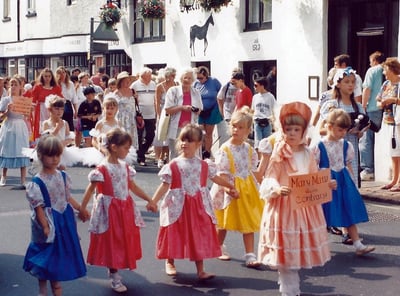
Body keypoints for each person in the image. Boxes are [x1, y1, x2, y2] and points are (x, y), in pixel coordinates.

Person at [258, 102, 333, 296]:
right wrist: (275, 188)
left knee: (297, 248)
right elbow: (270, 176)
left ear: (303, 132)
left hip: (303, 207)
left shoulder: (308, 154)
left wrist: (326, 185)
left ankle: (293, 288)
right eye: (288, 129)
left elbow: (312, 178)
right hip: (284, 206)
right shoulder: (280, 153)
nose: (291, 133)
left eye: (296, 129)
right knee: (287, 249)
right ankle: (288, 290)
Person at [152, 124, 238, 279]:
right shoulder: (173, 165)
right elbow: (164, 185)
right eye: (183, 140)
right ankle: (169, 261)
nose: (184, 143)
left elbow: (215, 178)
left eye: (189, 140)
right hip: (178, 205)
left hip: (198, 205)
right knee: (174, 232)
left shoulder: (204, 165)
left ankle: (201, 269)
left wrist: (229, 185)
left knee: (198, 234)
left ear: (198, 144)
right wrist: (153, 201)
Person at [79, 128, 157, 293]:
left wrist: (149, 199)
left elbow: (132, 187)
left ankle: (115, 267)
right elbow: (90, 189)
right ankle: (114, 275)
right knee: (112, 240)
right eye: (125, 148)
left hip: (124, 208)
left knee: (122, 239)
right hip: (109, 210)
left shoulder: (126, 167)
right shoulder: (102, 169)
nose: (128, 151)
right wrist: (82, 208)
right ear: (114, 147)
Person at [23, 135, 86, 296]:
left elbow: (67, 197)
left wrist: (81, 209)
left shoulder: (63, 176)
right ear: (40, 156)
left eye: (58, 155)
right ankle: (43, 288)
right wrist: (44, 225)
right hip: (49, 221)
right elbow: (38, 207)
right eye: (51, 155)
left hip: (63, 221)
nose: (55, 159)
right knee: (45, 254)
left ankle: (55, 286)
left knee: (57, 255)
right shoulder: (37, 182)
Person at [312, 108, 375, 256]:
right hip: (326, 181)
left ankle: (358, 244)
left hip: (343, 180)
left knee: (348, 211)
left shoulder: (346, 145)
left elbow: (347, 165)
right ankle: (316, 246)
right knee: (322, 214)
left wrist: (352, 182)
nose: (343, 133)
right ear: (329, 126)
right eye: (340, 130)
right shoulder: (318, 146)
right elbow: (312, 167)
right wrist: (320, 182)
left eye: (345, 130)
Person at [211, 106, 264, 268]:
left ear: (248, 130)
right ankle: (218, 246)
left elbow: (252, 169)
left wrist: (259, 186)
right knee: (224, 222)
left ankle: (250, 254)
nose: (236, 130)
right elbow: (221, 173)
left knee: (247, 221)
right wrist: (228, 189)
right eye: (234, 126)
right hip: (229, 188)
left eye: (240, 127)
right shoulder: (225, 149)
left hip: (246, 189)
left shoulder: (248, 149)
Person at [320, 67, 367, 188]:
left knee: (351, 185)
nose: (350, 85)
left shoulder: (358, 107)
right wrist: (338, 130)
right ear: (338, 84)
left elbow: (363, 129)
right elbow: (321, 129)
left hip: (351, 151)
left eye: (352, 82)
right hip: (334, 151)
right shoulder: (332, 105)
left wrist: (360, 131)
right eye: (347, 82)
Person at [164, 68, 203, 160]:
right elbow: (168, 109)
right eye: (185, 78)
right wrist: (182, 107)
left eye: (190, 78)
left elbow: (200, 109)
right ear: (181, 78)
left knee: (191, 153)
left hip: (191, 128)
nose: (187, 80)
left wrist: (195, 110)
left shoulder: (196, 92)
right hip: (176, 127)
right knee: (175, 153)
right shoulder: (173, 91)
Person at [0, 77, 31, 189]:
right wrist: (8, 111)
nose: (13, 87)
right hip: (8, 125)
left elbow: (27, 116)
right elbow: (1, 116)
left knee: (21, 150)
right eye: (11, 84)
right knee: (7, 148)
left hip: (20, 125)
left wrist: (29, 111)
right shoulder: (5, 100)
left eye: (15, 84)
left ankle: (23, 179)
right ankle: (4, 176)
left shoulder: (23, 100)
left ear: (20, 87)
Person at [359, 51, 385, 181]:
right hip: (383, 108)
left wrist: (363, 106)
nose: (370, 63)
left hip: (371, 108)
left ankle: (368, 169)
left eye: (370, 61)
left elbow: (367, 89)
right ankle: (380, 168)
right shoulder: (385, 71)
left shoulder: (372, 70)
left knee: (366, 138)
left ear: (375, 60)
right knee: (380, 139)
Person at [376, 57, 400, 191]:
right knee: (394, 152)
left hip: (399, 121)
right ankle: (394, 180)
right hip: (389, 121)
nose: (384, 73)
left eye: (385, 69)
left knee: (399, 151)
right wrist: (381, 104)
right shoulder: (386, 84)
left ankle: (399, 182)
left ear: (391, 69)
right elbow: (378, 100)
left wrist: (393, 100)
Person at [194, 66, 222, 159]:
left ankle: (207, 152)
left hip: (212, 109)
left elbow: (221, 93)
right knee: (201, 132)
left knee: (209, 133)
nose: (200, 80)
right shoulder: (196, 84)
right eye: (198, 78)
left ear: (206, 76)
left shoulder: (214, 81)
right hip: (200, 110)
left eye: (201, 78)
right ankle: (201, 150)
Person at [130, 67, 157, 166]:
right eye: (147, 76)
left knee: (151, 136)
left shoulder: (153, 84)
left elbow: (155, 99)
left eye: (150, 76)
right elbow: (131, 99)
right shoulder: (135, 85)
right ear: (142, 76)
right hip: (140, 114)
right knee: (139, 136)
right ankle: (141, 158)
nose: (150, 78)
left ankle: (141, 152)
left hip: (151, 113)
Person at [41, 95, 75, 170]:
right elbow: (46, 139)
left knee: (62, 169)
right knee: (50, 170)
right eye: (56, 109)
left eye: (62, 109)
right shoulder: (46, 123)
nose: (59, 111)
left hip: (61, 151)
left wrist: (64, 142)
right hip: (50, 151)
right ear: (50, 109)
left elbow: (70, 138)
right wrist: (57, 128)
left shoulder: (65, 123)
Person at [31, 68, 63, 142]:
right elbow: (33, 100)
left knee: (52, 124)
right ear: (42, 77)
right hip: (41, 110)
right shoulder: (38, 87)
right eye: (45, 76)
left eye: (49, 76)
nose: (47, 78)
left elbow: (61, 98)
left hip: (53, 110)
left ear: (52, 77)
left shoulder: (56, 88)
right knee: (41, 127)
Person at [154, 67, 177, 168]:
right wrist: (159, 115)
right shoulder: (160, 86)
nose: (173, 77)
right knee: (162, 136)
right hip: (164, 113)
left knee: (170, 137)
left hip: (174, 113)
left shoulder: (176, 85)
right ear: (167, 76)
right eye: (172, 75)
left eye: (174, 75)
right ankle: (160, 157)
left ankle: (167, 157)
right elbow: (157, 102)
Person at [114, 71, 139, 155]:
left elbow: (136, 103)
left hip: (131, 118)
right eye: (125, 81)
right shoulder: (116, 93)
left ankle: (130, 156)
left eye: (128, 81)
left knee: (131, 137)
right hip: (121, 118)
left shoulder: (133, 91)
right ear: (120, 82)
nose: (127, 83)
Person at [252, 76, 276, 157]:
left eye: (256, 85)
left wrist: (274, 123)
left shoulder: (270, 97)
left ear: (262, 86)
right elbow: (253, 110)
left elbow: (274, 110)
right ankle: (258, 161)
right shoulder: (255, 97)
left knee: (267, 143)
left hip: (267, 122)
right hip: (257, 121)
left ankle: (266, 161)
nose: (254, 87)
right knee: (257, 143)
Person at [216, 67, 240, 147]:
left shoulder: (241, 86)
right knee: (227, 135)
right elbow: (219, 98)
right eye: (233, 73)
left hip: (237, 114)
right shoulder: (226, 85)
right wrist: (221, 111)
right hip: (228, 114)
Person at [56, 66, 78, 133]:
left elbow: (74, 97)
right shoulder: (56, 84)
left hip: (68, 105)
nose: (62, 75)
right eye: (60, 73)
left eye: (63, 72)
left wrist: (76, 110)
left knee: (69, 122)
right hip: (58, 104)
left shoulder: (70, 84)